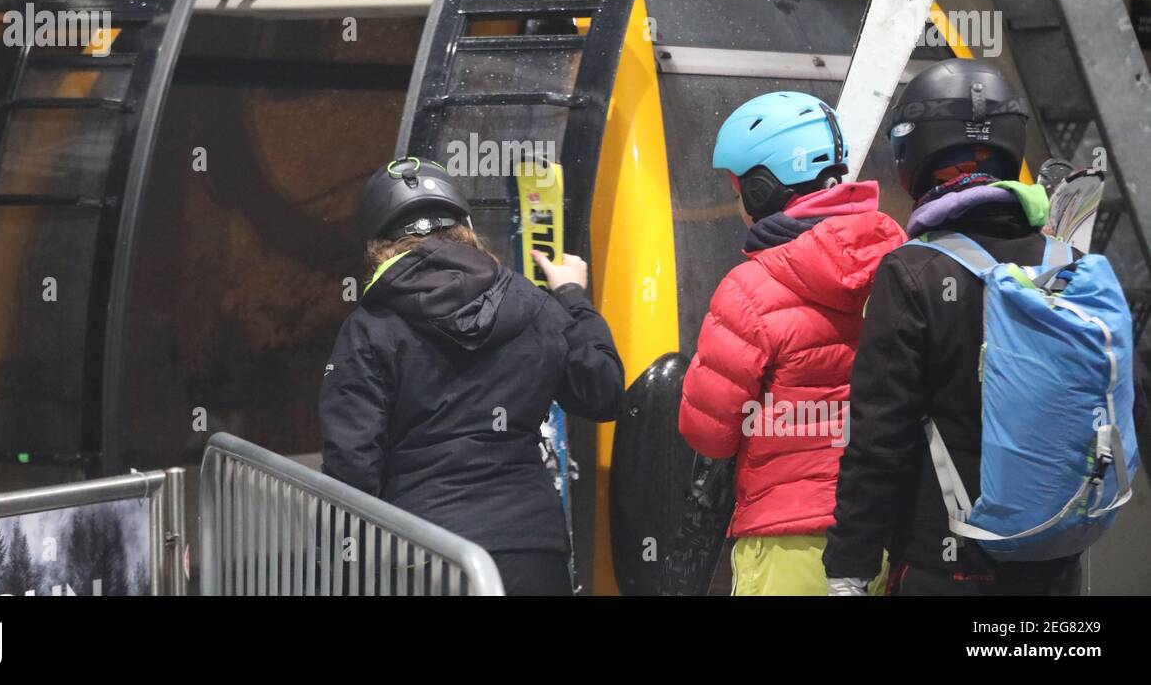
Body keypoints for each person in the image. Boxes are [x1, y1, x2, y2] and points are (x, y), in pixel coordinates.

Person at [822, 58, 1134, 595]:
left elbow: (879, 440)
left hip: (950, 566)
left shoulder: (914, 271)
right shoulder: (1070, 262)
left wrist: (848, 566)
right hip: (1058, 565)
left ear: (913, 159)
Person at [319, 157, 624, 595]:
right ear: (465, 224)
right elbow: (603, 392)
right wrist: (572, 296)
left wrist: (346, 564)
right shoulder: (531, 303)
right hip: (530, 551)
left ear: (378, 244)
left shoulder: (369, 328)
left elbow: (352, 463)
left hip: (422, 552)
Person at [679, 91, 906, 595]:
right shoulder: (901, 262)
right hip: (886, 531)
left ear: (762, 190)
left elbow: (708, 431)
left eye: (740, 189)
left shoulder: (752, 289)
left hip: (790, 541)